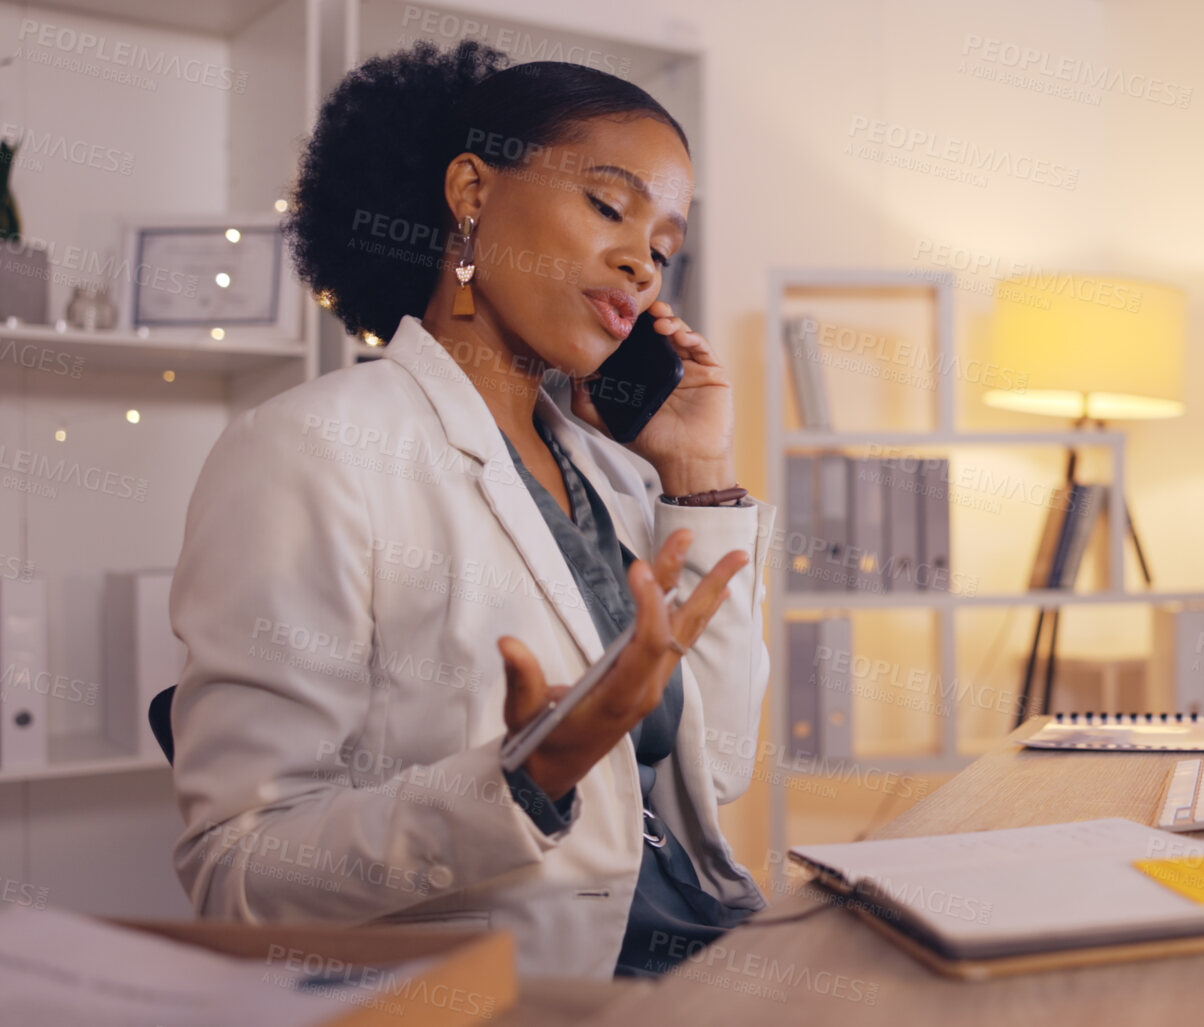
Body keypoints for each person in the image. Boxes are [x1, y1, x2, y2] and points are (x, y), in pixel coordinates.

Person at [167, 40, 774, 979]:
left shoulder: (613, 481)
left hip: (695, 958)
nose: (639, 264)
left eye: (662, 246)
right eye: (608, 206)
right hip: (510, 993)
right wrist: (523, 781)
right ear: (471, 193)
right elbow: (239, 870)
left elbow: (718, 769)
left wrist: (698, 475)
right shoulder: (311, 449)